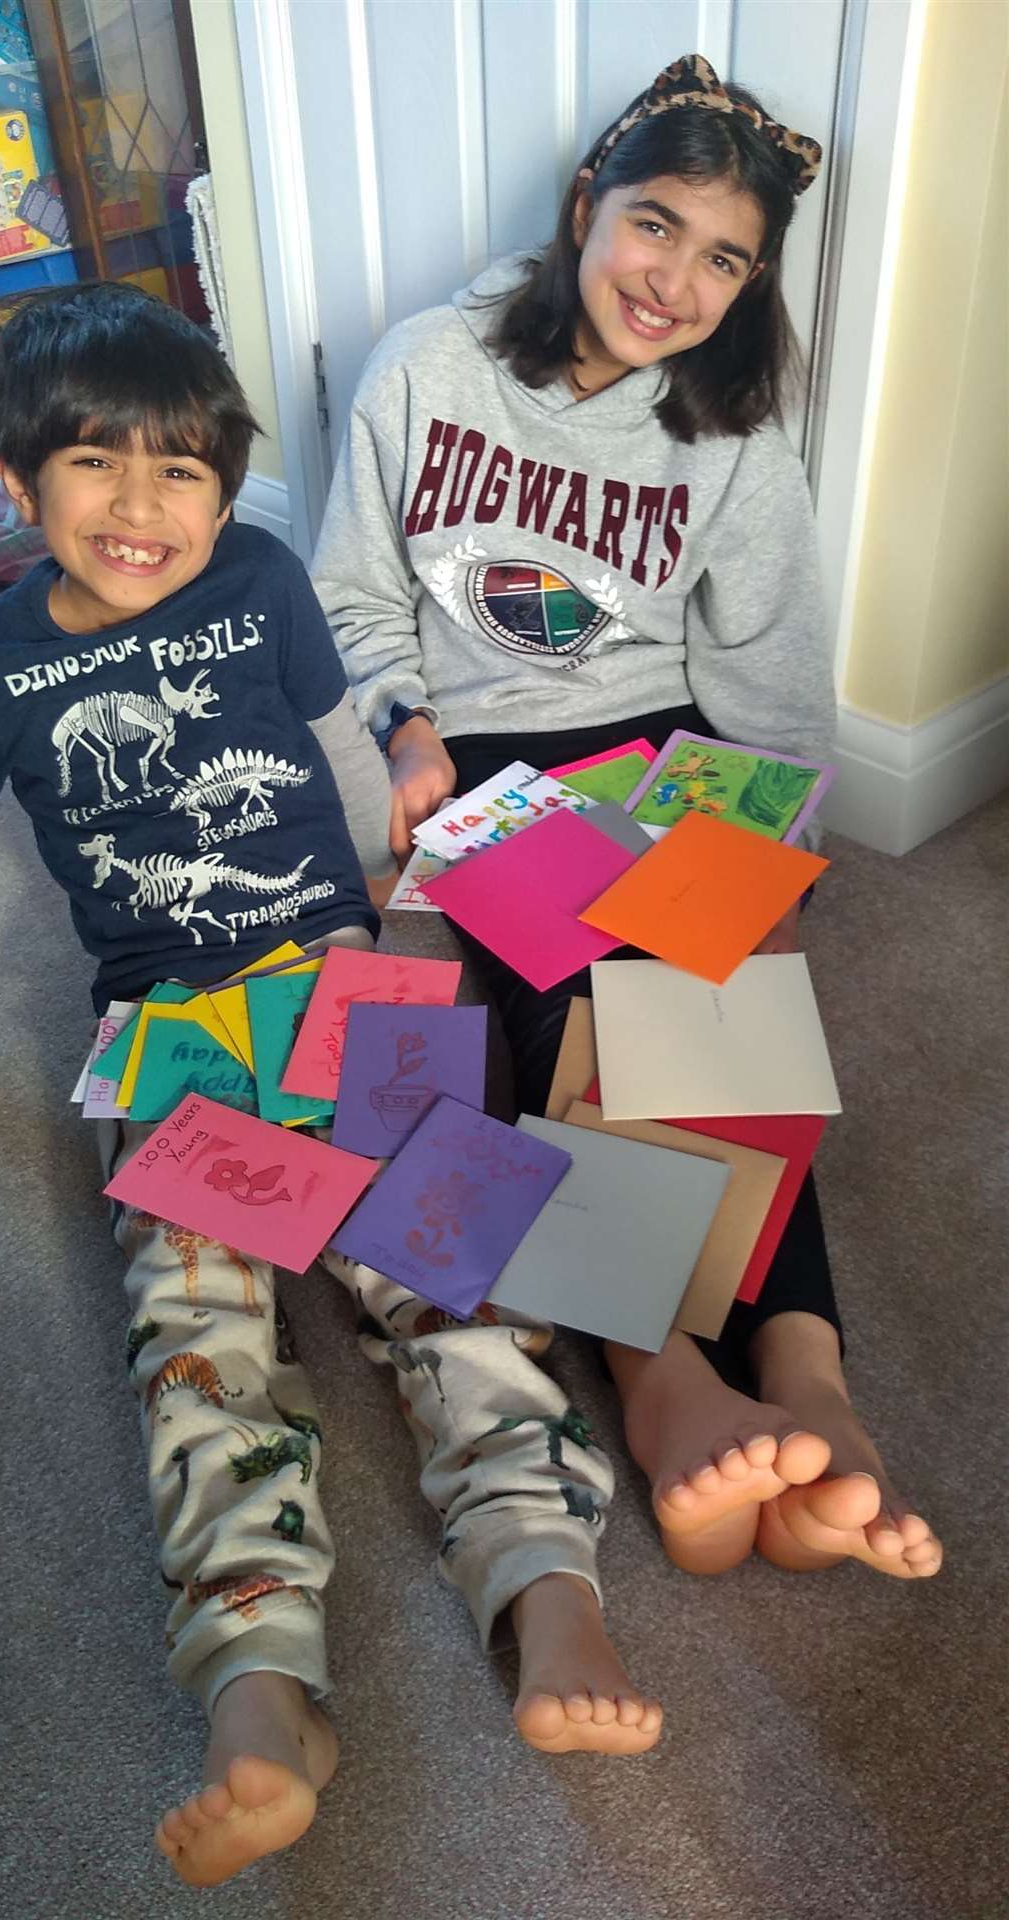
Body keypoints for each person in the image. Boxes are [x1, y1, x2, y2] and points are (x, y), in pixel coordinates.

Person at [0, 285, 662, 1891]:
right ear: (15, 477)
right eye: (94, 467)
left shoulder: (259, 579)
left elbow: (335, 746)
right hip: (170, 1023)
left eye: (180, 469)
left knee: (458, 1258)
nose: (139, 506)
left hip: (341, 975)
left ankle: (547, 1587)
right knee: (195, 1331)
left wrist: (393, 923)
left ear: (226, 482)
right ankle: (264, 1694)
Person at [312, 54, 942, 1591]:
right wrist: (402, 737)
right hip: (480, 758)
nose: (675, 280)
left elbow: (774, 680)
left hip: (662, 754)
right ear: (587, 205)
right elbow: (348, 594)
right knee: (567, 996)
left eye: (724, 257)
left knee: (723, 996)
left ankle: (809, 1380)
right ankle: (665, 1381)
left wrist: (772, 847)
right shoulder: (426, 364)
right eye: (654, 226)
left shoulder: (731, 437)